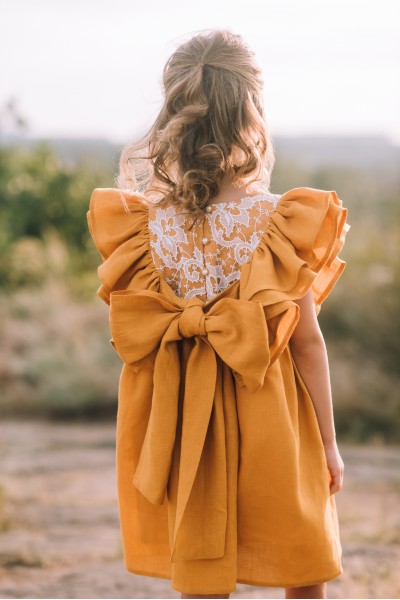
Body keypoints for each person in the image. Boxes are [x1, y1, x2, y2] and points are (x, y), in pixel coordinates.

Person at [87, 28, 350, 600]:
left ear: (174, 112)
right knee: (302, 558)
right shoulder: (280, 218)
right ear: (251, 112)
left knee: (202, 566)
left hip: (188, 414)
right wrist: (329, 444)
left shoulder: (144, 227)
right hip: (273, 409)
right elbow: (306, 342)